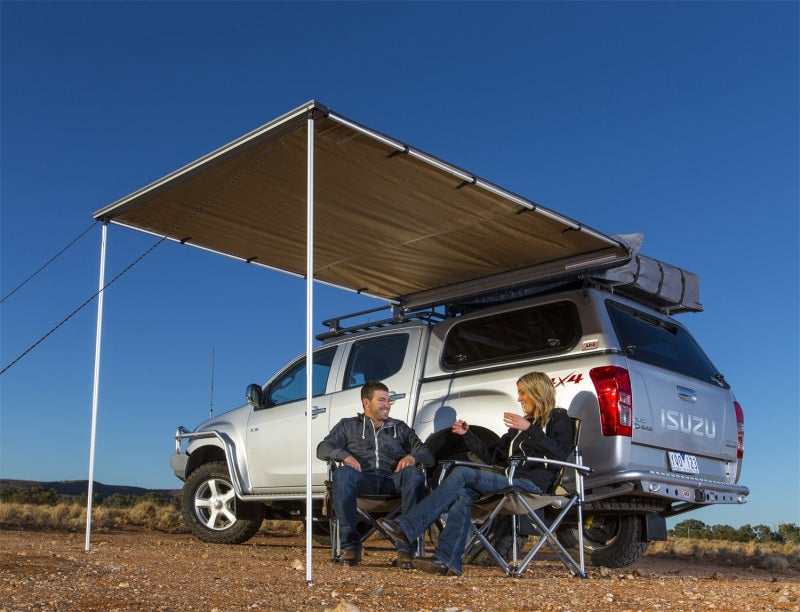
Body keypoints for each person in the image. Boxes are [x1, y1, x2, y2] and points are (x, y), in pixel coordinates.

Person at [378, 371, 573, 576]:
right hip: (509, 481)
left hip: (532, 486)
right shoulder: (519, 428)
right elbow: (492, 457)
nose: (519, 398)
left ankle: (408, 528)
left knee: (463, 473)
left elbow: (560, 453)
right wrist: (468, 435)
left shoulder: (559, 418)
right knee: (462, 495)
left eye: (523, 393)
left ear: (538, 391)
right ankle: (447, 560)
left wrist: (530, 429)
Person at [317, 380, 434, 567]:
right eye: (382, 400)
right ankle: (351, 545)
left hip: (393, 481)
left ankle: (406, 549)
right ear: (366, 402)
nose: (387, 405)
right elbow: (323, 448)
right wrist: (344, 456)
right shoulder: (348, 426)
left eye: (388, 401)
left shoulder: (400, 427)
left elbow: (427, 453)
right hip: (363, 480)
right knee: (342, 474)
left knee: (414, 474)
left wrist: (412, 458)